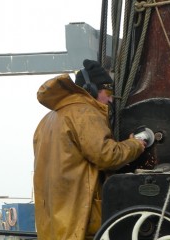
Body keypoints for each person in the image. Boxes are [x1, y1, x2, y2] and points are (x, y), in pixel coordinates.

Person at [33, 59, 146, 240]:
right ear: (91, 89)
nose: (110, 99)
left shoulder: (47, 120)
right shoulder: (85, 113)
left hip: (55, 222)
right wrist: (135, 145)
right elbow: (107, 155)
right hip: (81, 220)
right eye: (108, 92)